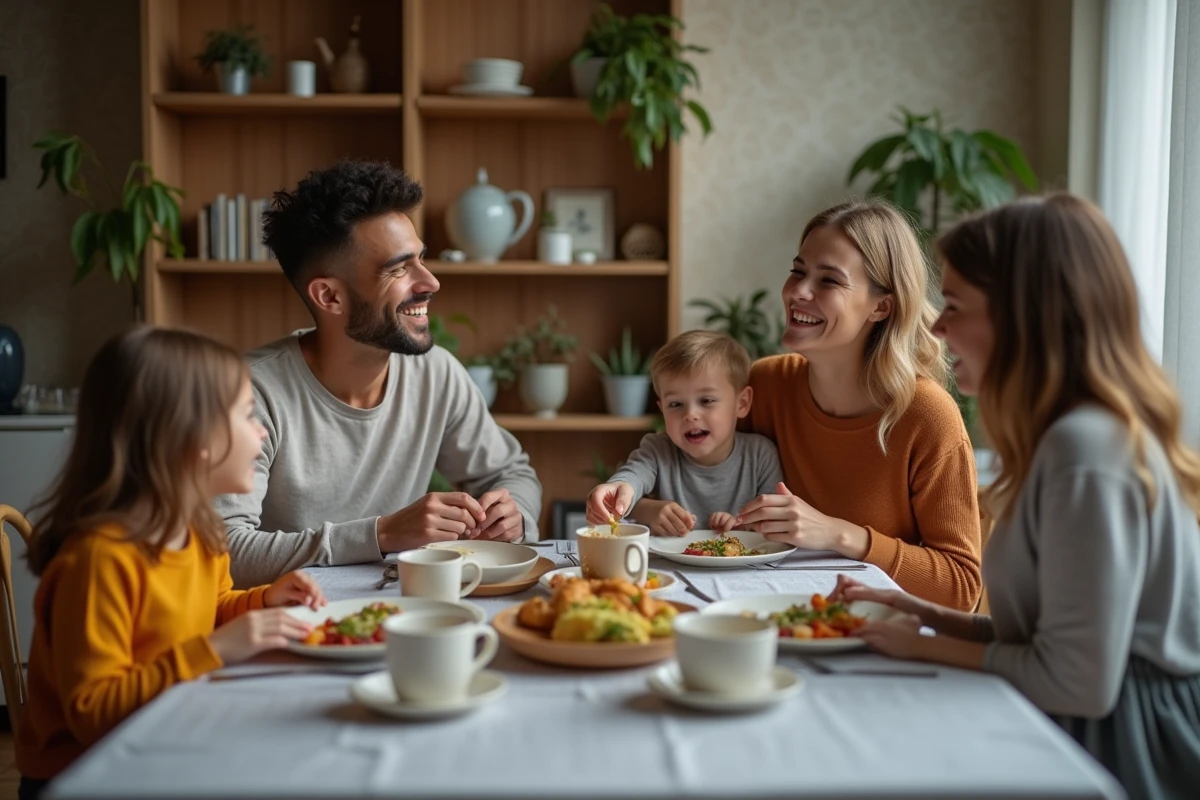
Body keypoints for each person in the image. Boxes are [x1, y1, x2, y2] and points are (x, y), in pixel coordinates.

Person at [842, 194, 1200, 797]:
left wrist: (919, 645)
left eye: (954, 305)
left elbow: (1076, 681)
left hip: (1125, 746)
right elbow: (1050, 640)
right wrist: (931, 620)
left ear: (1023, 318)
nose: (935, 325)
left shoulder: (1085, 453)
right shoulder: (1069, 440)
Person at [15, 328, 326, 800]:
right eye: (247, 415)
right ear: (191, 439)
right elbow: (92, 711)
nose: (262, 431)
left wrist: (263, 601)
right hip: (88, 774)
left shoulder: (200, 530)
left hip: (166, 737)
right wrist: (218, 649)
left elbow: (213, 606)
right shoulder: (101, 559)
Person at [213, 160, 542, 588]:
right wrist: (381, 534)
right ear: (329, 296)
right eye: (399, 268)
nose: (430, 282)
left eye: (421, 259)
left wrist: (513, 512)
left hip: (404, 611)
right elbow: (224, 552)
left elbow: (512, 473)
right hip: (288, 630)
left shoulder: (436, 374)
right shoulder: (247, 393)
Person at [736, 200, 982, 609]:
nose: (797, 291)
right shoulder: (764, 384)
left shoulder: (927, 415)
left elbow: (961, 590)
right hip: (769, 614)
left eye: (828, 281)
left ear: (881, 306)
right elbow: (685, 477)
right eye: (797, 271)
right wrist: (648, 504)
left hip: (878, 640)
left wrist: (840, 534)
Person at [587, 331, 783, 535]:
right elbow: (633, 476)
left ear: (741, 403)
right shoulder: (657, 450)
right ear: (662, 408)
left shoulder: (761, 455)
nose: (690, 415)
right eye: (676, 404)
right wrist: (621, 490)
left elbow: (771, 518)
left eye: (706, 400)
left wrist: (741, 525)